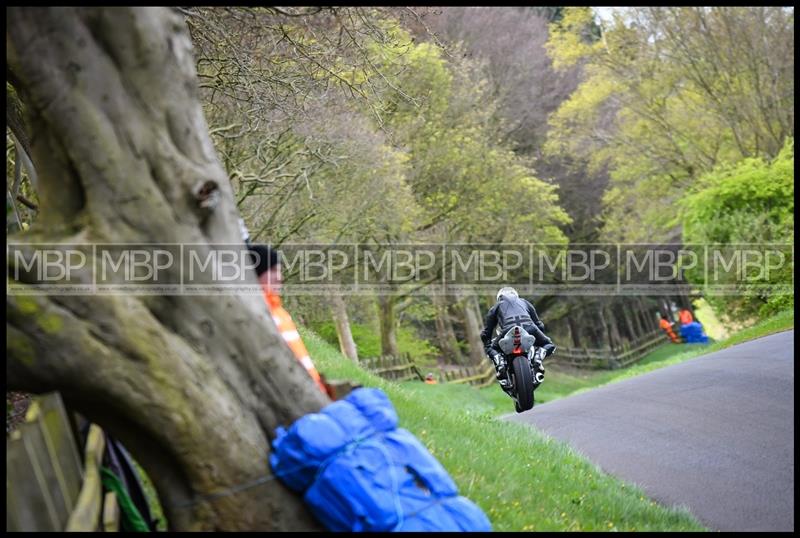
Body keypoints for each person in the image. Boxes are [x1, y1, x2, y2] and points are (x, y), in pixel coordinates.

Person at [248, 244, 328, 395]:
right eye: (272, 271)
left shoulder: (280, 312)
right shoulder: (254, 314)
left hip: (314, 392)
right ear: (254, 274)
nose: (280, 277)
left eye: (279, 271)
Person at [480, 287, 556, 388]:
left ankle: (500, 362)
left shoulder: (496, 307)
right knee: (549, 344)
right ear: (516, 295)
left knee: (491, 348)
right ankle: (538, 357)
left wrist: (487, 345)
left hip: (507, 330)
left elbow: (486, 332)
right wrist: (539, 342)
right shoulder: (525, 302)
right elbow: (539, 324)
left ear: (499, 298)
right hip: (530, 328)